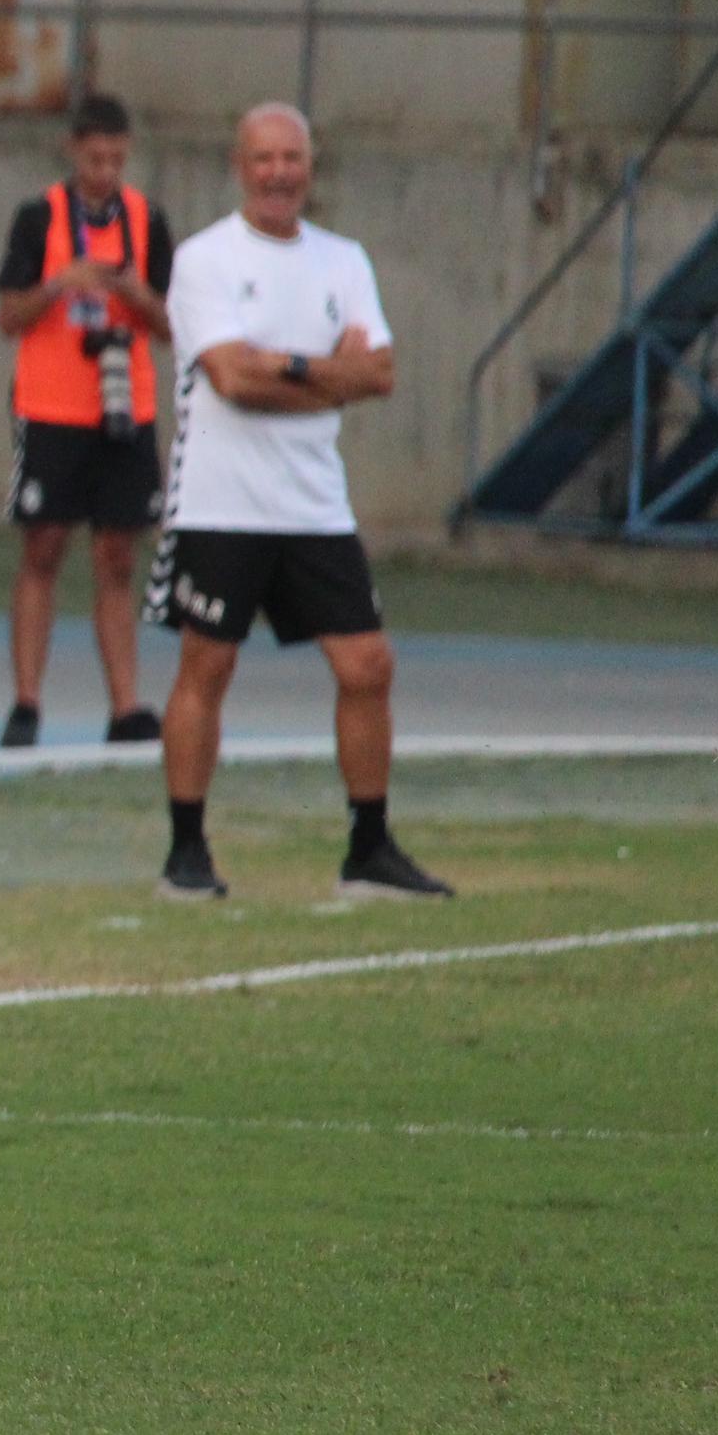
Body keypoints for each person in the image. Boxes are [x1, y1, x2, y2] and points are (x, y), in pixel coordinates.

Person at [147, 104, 450, 904]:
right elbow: (230, 381)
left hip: (314, 503)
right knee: (207, 664)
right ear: (240, 165)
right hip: (222, 501)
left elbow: (380, 375)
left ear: (311, 166)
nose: (280, 173)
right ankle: (186, 850)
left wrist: (279, 366)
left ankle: (369, 847)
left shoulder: (344, 261)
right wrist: (321, 373)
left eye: (293, 158)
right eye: (264, 158)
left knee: (368, 664)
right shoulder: (205, 259)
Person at [0, 91, 173, 748]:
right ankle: (26, 702)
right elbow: (8, 317)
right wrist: (60, 285)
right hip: (51, 407)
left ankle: (126, 707)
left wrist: (131, 291)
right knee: (43, 547)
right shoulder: (38, 217)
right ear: (74, 152)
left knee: (118, 555)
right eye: (95, 158)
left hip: (125, 409)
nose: (105, 171)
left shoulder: (146, 220)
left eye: (117, 160)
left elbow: (172, 323)